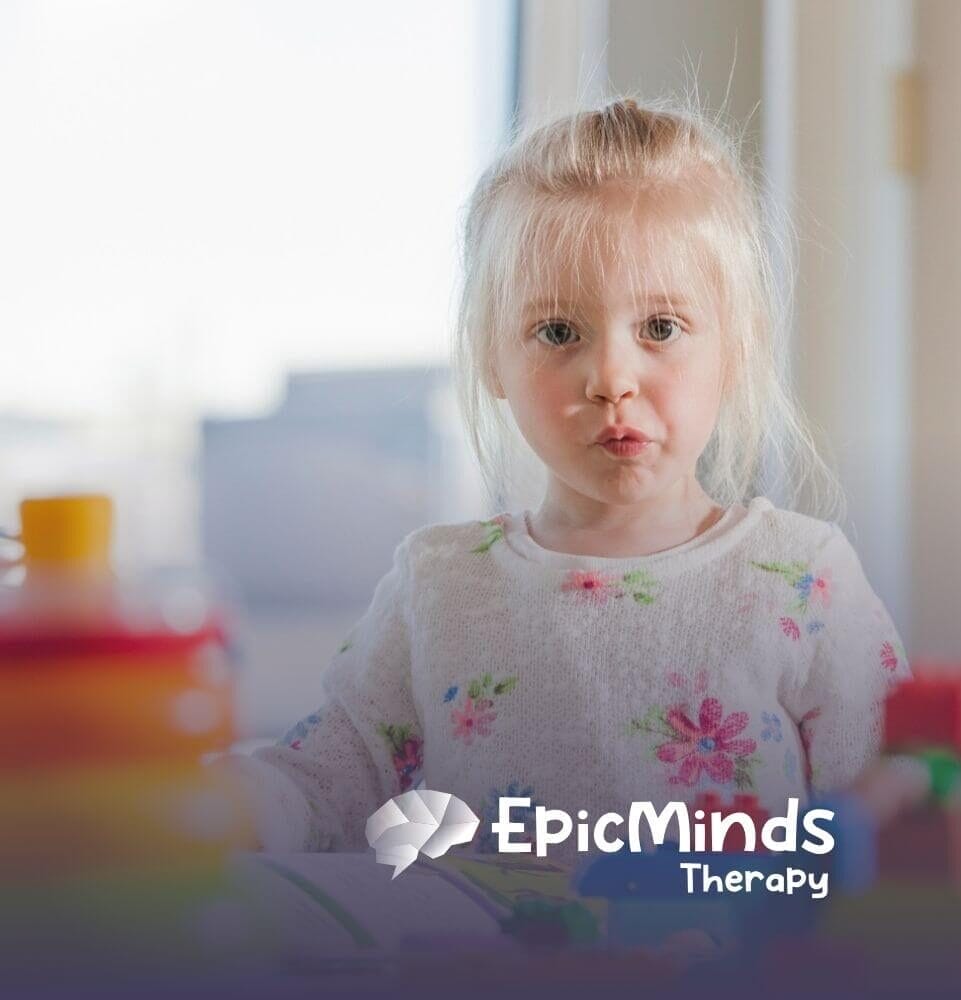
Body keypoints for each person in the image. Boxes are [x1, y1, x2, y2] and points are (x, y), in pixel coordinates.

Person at [209, 97, 910, 856]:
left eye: (661, 329)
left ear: (736, 348)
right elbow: (324, 785)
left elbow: (894, 812)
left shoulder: (803, 578)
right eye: (557, 332)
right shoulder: (440, 586)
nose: (611, 377)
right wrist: (210, 805)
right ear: (490, 357)